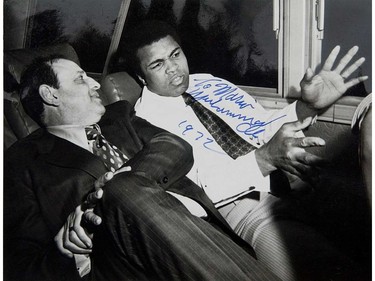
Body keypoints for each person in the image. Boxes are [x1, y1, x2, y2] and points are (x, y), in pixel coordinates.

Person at [118, 20, 369, 281]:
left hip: (295, 179)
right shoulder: (144, 123)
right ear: (140, 76)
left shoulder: (208, 82)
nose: (173, 68)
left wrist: (307, 106)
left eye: (175, 54)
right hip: (245, 208)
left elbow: (262, 126)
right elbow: (197, 192)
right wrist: (264, 159)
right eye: (157, 64)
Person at [4, 55, 291, 281]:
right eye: (80, 79)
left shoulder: (119, 115)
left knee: (120, 186)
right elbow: (20, 267)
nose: (95, 84)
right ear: (50, 94)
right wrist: (64, 251)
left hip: (201, 230)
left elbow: (175, 146)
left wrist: (119, 181)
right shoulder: (20, 162)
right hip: (123, 265)